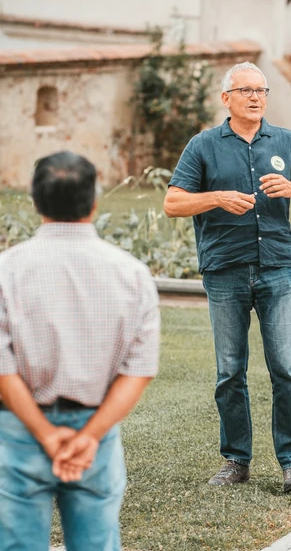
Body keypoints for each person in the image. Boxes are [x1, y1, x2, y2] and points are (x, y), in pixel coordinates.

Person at [164, 61, 291, 492]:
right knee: (229, 372)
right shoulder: (202, 145)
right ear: (226, 99)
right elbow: (173, 202)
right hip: (225, 271)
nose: (255, 97)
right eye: (246, 91)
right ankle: (236, 461)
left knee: (287, 370)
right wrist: (216, 198)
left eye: (262, 90)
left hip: (276, 269)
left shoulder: (287, 141)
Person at [0, 151, 160, 551]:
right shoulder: (133, 274)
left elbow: (3, 369)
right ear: (94, 201)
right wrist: (89, 437)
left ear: (36, 202)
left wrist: (45, 434)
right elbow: (138, 370)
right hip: (97, 430)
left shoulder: (7, 270)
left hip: (20, 430)